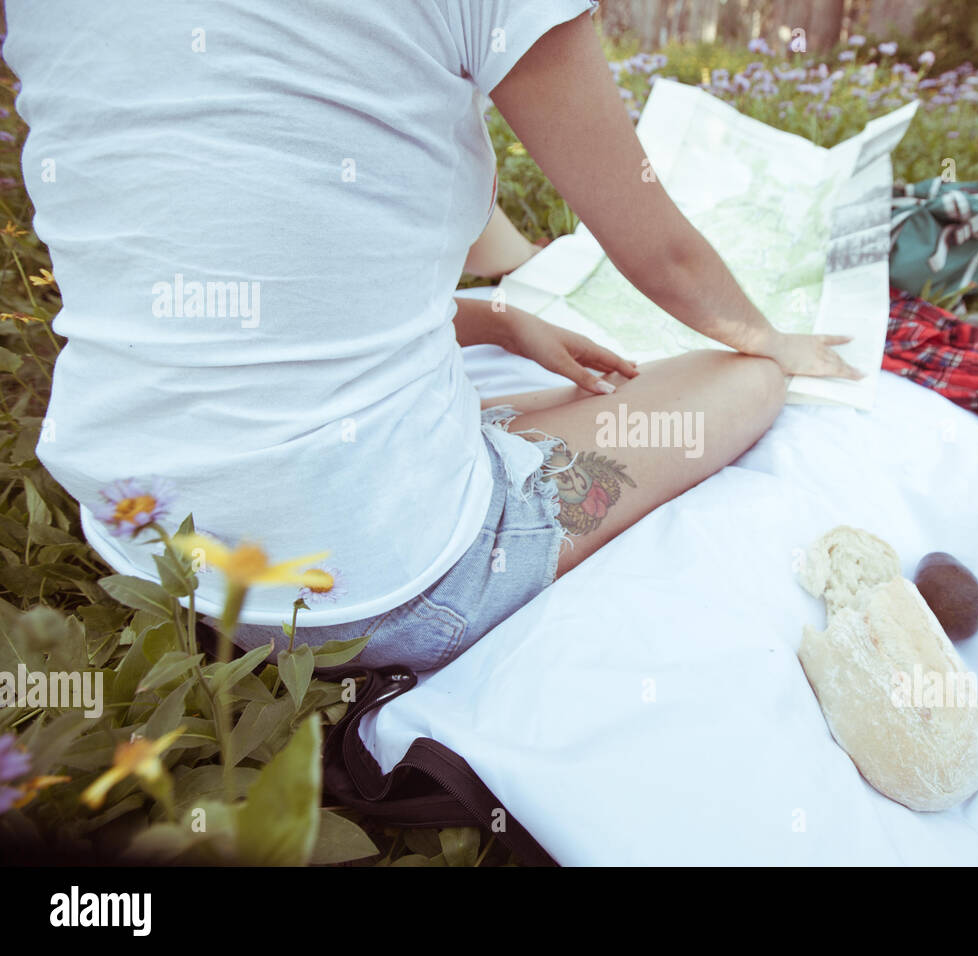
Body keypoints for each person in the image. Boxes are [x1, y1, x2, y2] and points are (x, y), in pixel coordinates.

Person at [5, 0, 860, 672]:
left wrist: (488, 316)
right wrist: (764, 338)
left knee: (554, 393)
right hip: (368, 586)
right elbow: (661, 250)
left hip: (141, 543)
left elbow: (234, 262)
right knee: (737, 382)